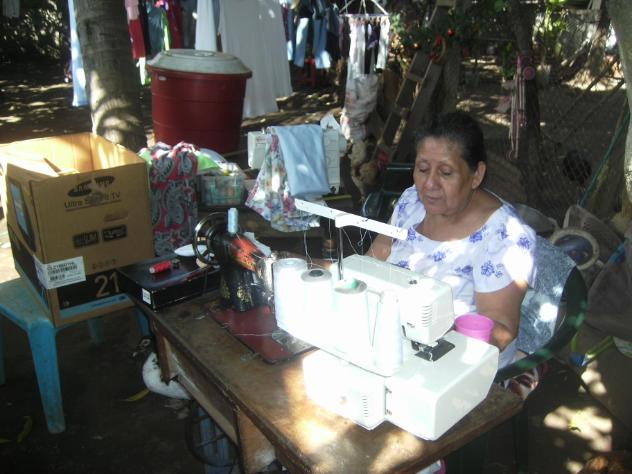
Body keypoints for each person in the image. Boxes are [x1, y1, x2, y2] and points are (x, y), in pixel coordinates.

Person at [367, 111, 536, 367]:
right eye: (422, 169)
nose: (429, 184)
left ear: (476, 175)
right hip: (390, 340)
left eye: (445, 173)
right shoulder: (411, 202)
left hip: (458, 365)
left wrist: (428, 335)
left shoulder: (504, 238)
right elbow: (375, 257)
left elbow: (500, 329)